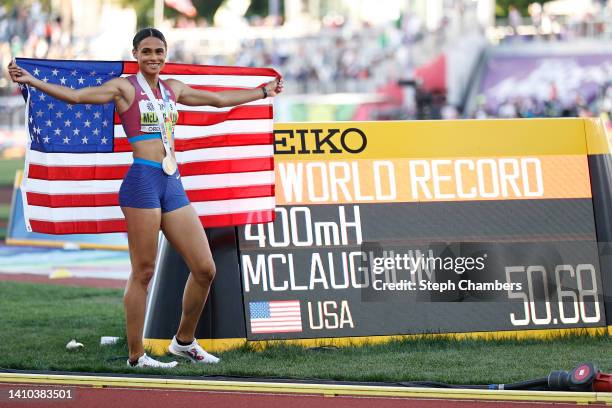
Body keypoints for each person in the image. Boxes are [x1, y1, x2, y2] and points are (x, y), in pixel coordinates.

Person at [8, 27, 283, 368]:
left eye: (159, 51)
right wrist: (33, 81)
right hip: (142, 182)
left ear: (166, 54)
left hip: (171, 182)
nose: (153, 57)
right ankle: (136, 356)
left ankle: (183, 342)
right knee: (143, 272)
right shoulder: (125, 87)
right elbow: (77, 97)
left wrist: (262, 91)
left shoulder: (173, 89)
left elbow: (217, 100)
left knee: (204, 268)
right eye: (147, 51)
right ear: (136, 54)